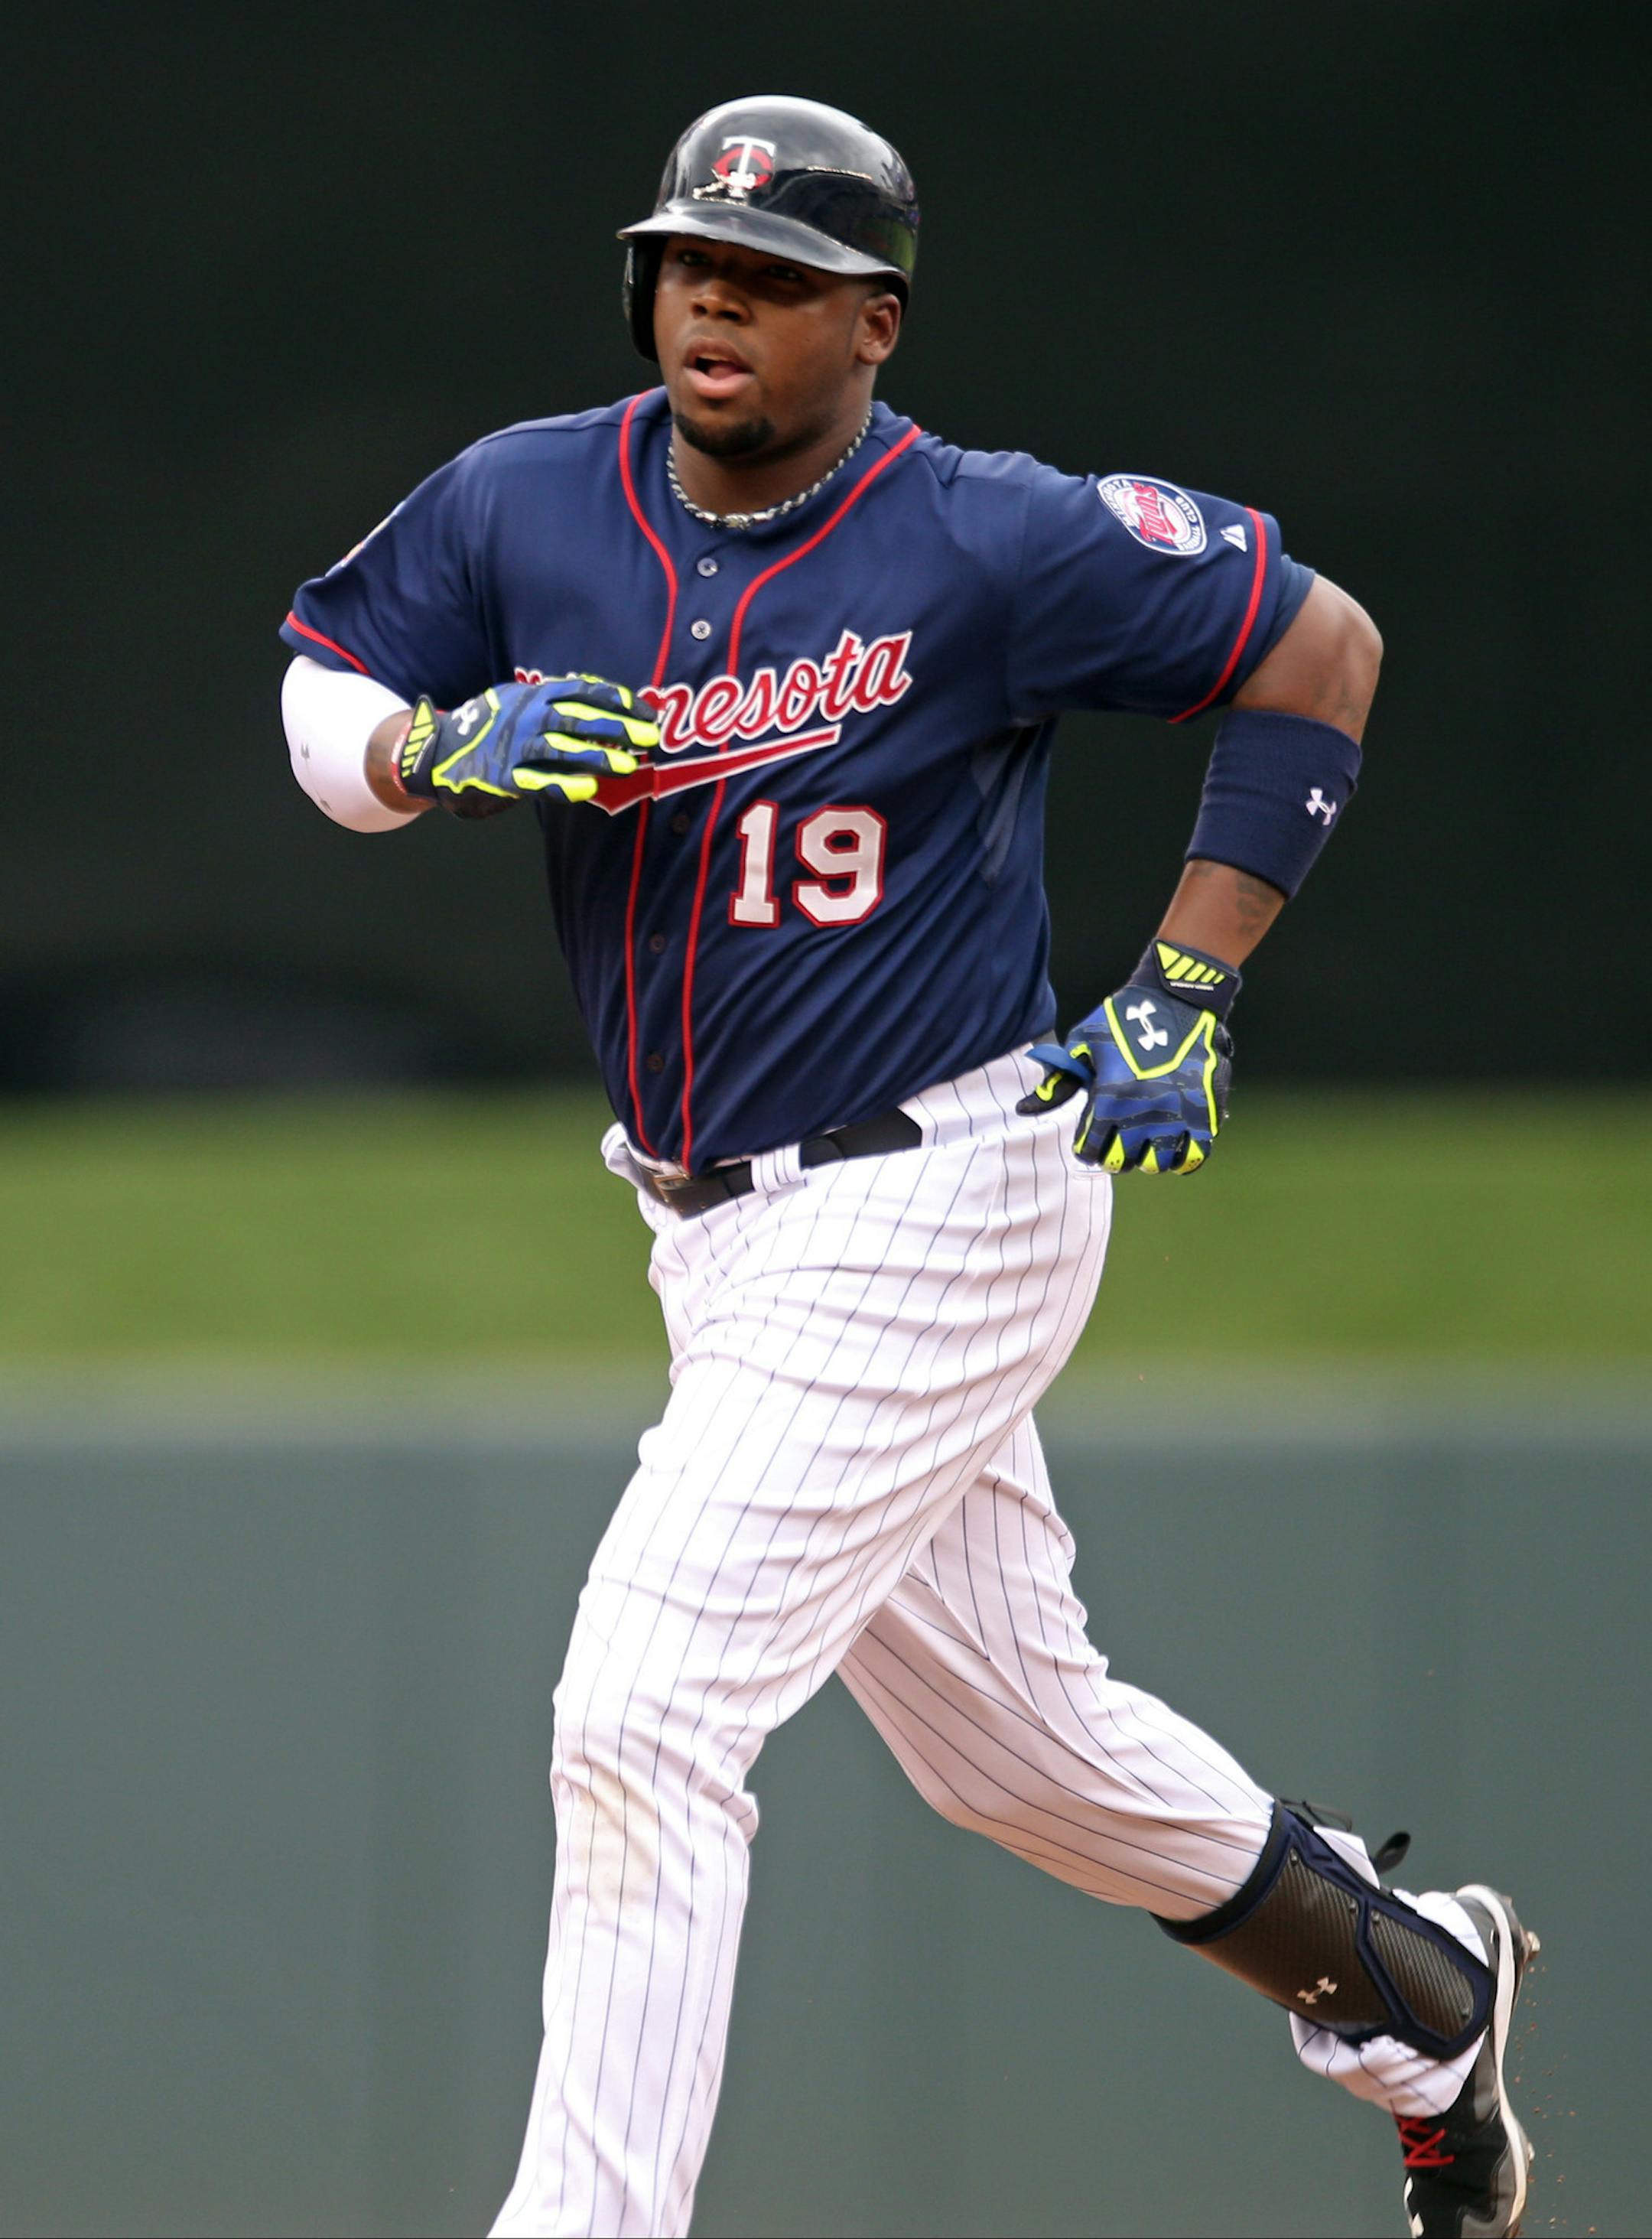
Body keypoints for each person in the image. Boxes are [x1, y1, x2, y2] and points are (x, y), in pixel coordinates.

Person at [279, 94, 1536, 2239]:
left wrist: (1190, 976)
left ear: (875, 322)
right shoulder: (528, 498)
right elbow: (324, 687)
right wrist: (423, 749)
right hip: (712, 1224)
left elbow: (1318, 648)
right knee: (1015, 1757)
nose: (715, 308)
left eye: (769, 283)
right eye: (690, 267)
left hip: (936, 1190)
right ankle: (1418, 1993)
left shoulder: (988, 536)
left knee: (644, 1711)